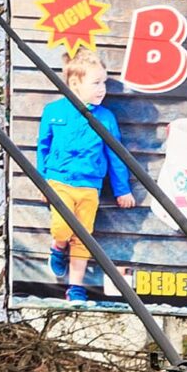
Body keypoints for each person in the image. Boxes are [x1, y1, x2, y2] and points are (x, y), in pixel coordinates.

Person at [32, 47, 135, 303]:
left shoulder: (106, 117)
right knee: (62, 226)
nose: (102, 89)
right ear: (75, 83)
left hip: (90, 186)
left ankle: (75, 287)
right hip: (59, 181)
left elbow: (115, 155)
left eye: (105, 83)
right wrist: (43, 182)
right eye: (96, 83)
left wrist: (122, 189)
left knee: (84, 236)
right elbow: (43, 147)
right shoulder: (54, 111)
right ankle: (57, 247)